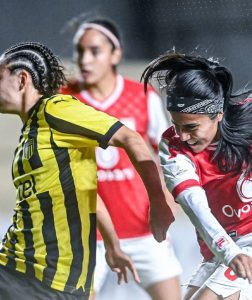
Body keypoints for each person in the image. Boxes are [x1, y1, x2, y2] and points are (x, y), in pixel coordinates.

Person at [0, 42, 173, 300]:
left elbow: (130, 138)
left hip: (53, 279)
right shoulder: (31, 130)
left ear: (22, 79)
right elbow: (86, 192)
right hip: (9, 263)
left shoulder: (57, 109)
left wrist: (158, 200)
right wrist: (113, 246)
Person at [62, 18, 182, 300]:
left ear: (115, 54)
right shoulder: (64, 98)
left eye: (95, 51)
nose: (85, 59)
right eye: (80, 51)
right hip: (87, 236)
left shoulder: (140, 96)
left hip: (143, 230)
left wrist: (169, 196)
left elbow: (169, 152)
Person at [142, 51, 252, 300]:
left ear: (219, 115)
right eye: (176, 124)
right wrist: (229, 252)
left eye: (191, 127)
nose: (182, 136)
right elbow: (195, 207)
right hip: (220, 249)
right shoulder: (172, 145)